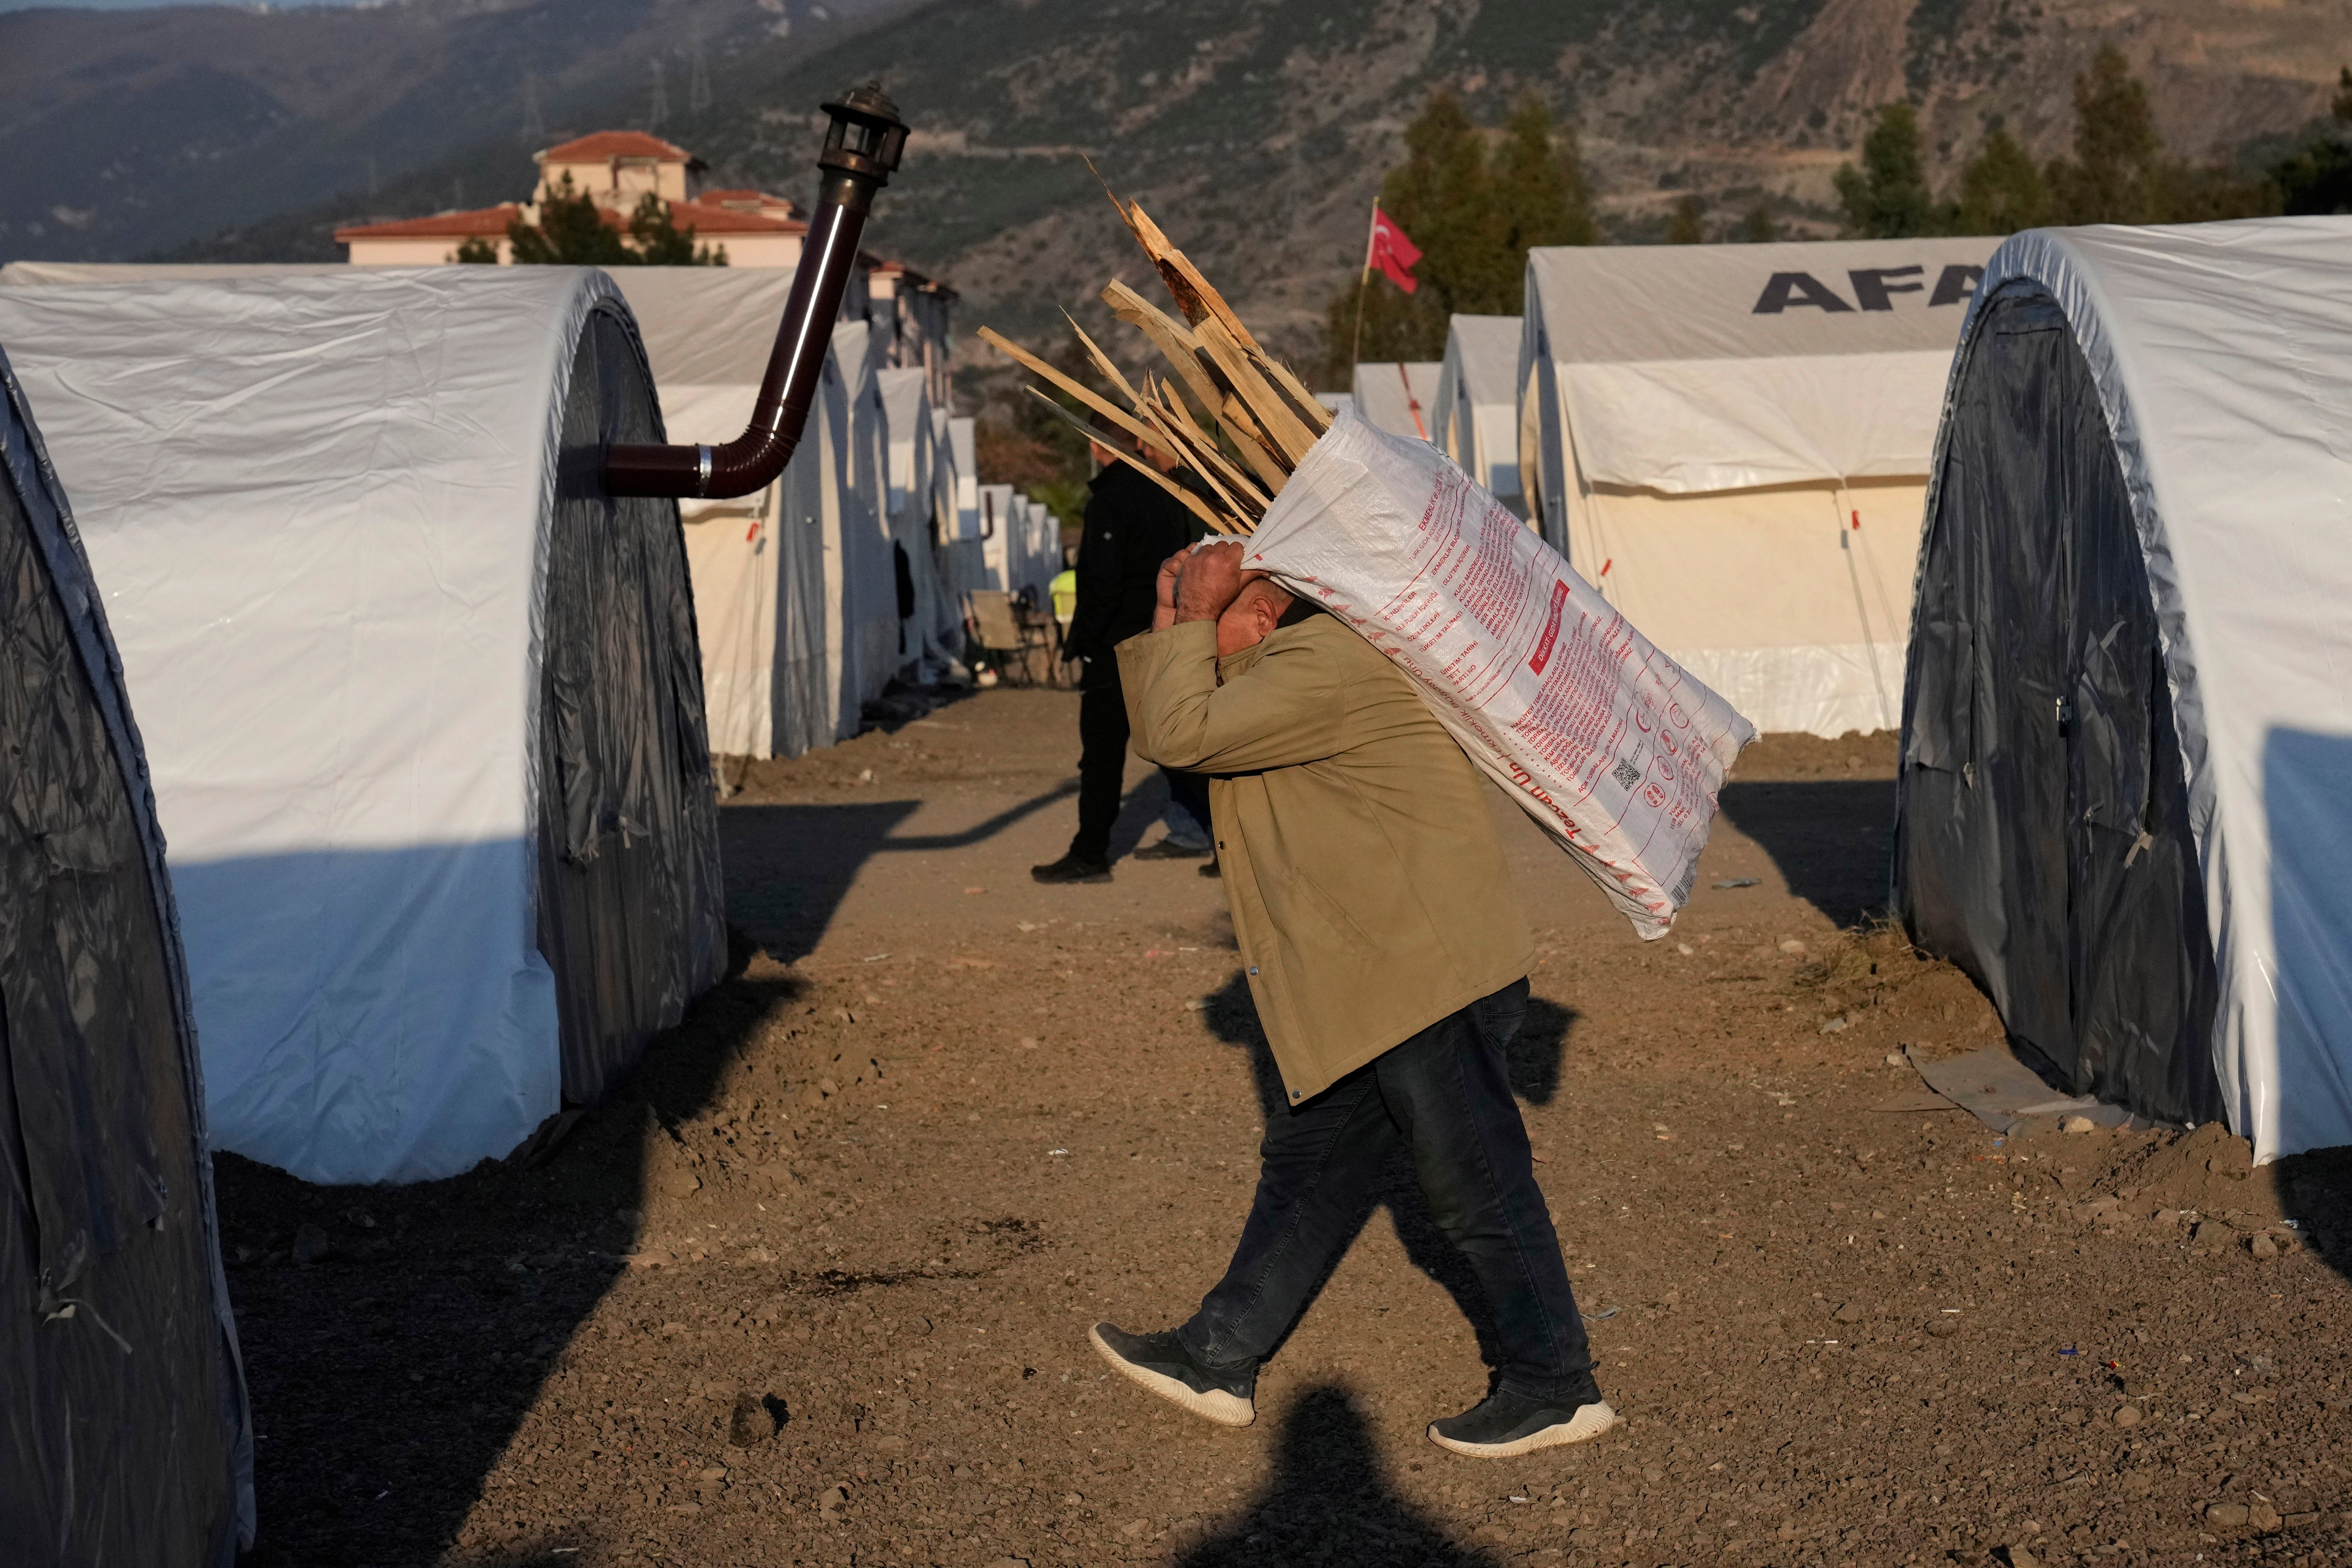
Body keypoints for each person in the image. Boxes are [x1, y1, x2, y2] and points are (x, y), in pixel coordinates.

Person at [1084, 541, 1613, 1459]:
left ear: (1263, 615)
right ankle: (1218, 1355)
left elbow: (1180, 734)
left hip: (1424, 975)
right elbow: (1186, 722)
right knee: (1311, 1167)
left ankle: (1557, 1386)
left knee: (1474, 1182)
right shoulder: (1303, 665)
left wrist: (1189, 605)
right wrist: (1185, 611)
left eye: (1225, 612)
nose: (1210, 632)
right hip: (1381, 979)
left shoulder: (1331, 663)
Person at [1031, 421, 1213, 884]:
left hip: (1118, 645)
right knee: (1173, 744)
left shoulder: (1114, 499)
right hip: (1157, 637)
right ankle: (1233, 842)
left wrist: (1089, 643)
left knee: (1103, 755)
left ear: (1095, 446)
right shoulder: (1163, 493)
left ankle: (1090, 853)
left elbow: (1102, 583)